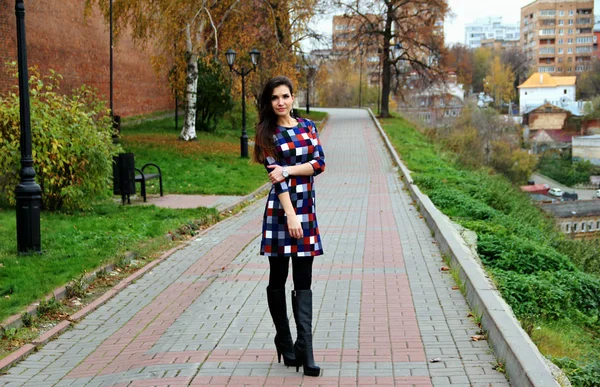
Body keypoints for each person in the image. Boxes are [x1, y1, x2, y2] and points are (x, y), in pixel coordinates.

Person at [254, 76, 325, 377]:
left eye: (285, 96)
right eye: (274, 98)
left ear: (293, 97)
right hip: (282, 212)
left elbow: (318, 164)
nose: (280, 102)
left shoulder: (308, 127)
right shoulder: (266, 133)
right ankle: (284, 340)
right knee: (279, 275)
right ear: (269, 103)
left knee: (304, 280)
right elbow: (276, 178)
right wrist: (291, 215)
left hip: (306, 210)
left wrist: (288, 169)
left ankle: (305, 348)